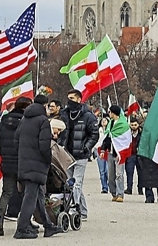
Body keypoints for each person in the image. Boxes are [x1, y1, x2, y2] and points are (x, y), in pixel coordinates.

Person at [12, 96, 59, 239]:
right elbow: (44, 145)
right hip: (37, 163)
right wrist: (48, 161)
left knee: (37, 195)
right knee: (30, 197)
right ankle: (21, 228)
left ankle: (48, 225)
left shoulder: (24, 119)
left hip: (24, 162)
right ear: (44, 105)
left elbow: (16, 140)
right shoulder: (43, 121)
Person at [57, 89, 98, 220]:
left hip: (81, 155)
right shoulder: (64, 114)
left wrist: (86, 147)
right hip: (66, 154)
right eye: (68, 98)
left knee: (77, 183)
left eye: (72, 98)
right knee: (69, 184)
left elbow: (94, 134)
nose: (70, 101)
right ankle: (83, 211)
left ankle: (74, 209)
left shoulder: (88, 116)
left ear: (79, 99)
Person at [0, 97, 28, 236]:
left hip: (7, 161)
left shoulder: (4, 121)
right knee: (26, 193)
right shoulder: (26, 121)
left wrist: (4, 154)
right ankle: (25, 221)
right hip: (23, 161)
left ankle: (0, 219)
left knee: (6, 192)